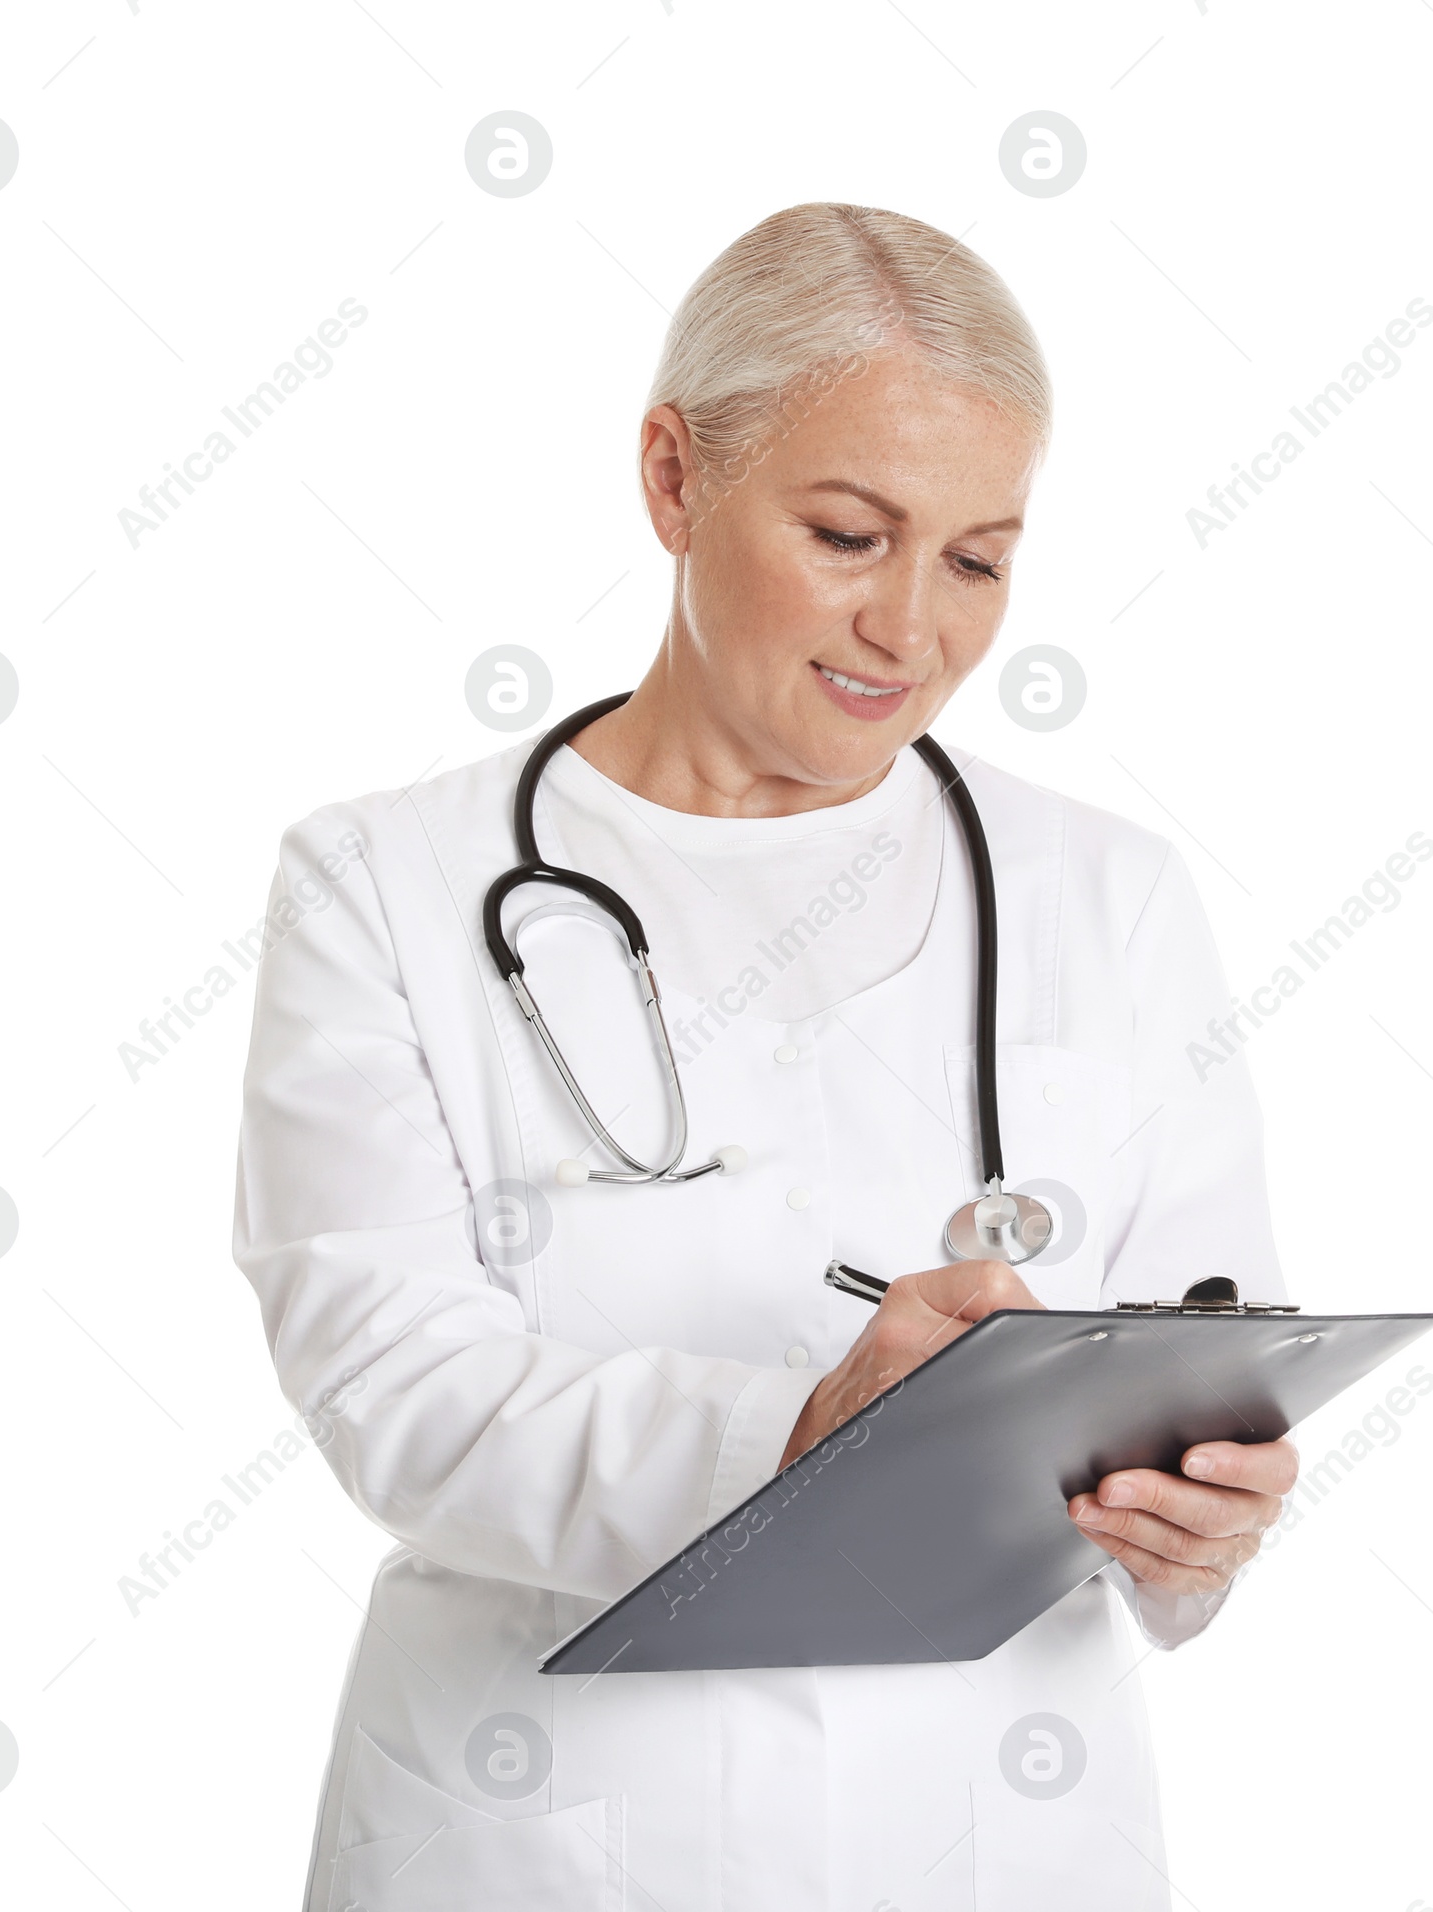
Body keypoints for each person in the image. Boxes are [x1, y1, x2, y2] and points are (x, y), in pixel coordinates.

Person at [234, 201, 1295, 1912]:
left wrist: (1208, 1516)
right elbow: (392, 1387)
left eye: (977, 558)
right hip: (547, 1837)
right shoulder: (388, 886)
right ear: (673, 479)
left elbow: (1202, 1350)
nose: (912, 629)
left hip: (1003, 1829)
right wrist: (801, 1429)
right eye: (848, 533)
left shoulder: (1109, 894)